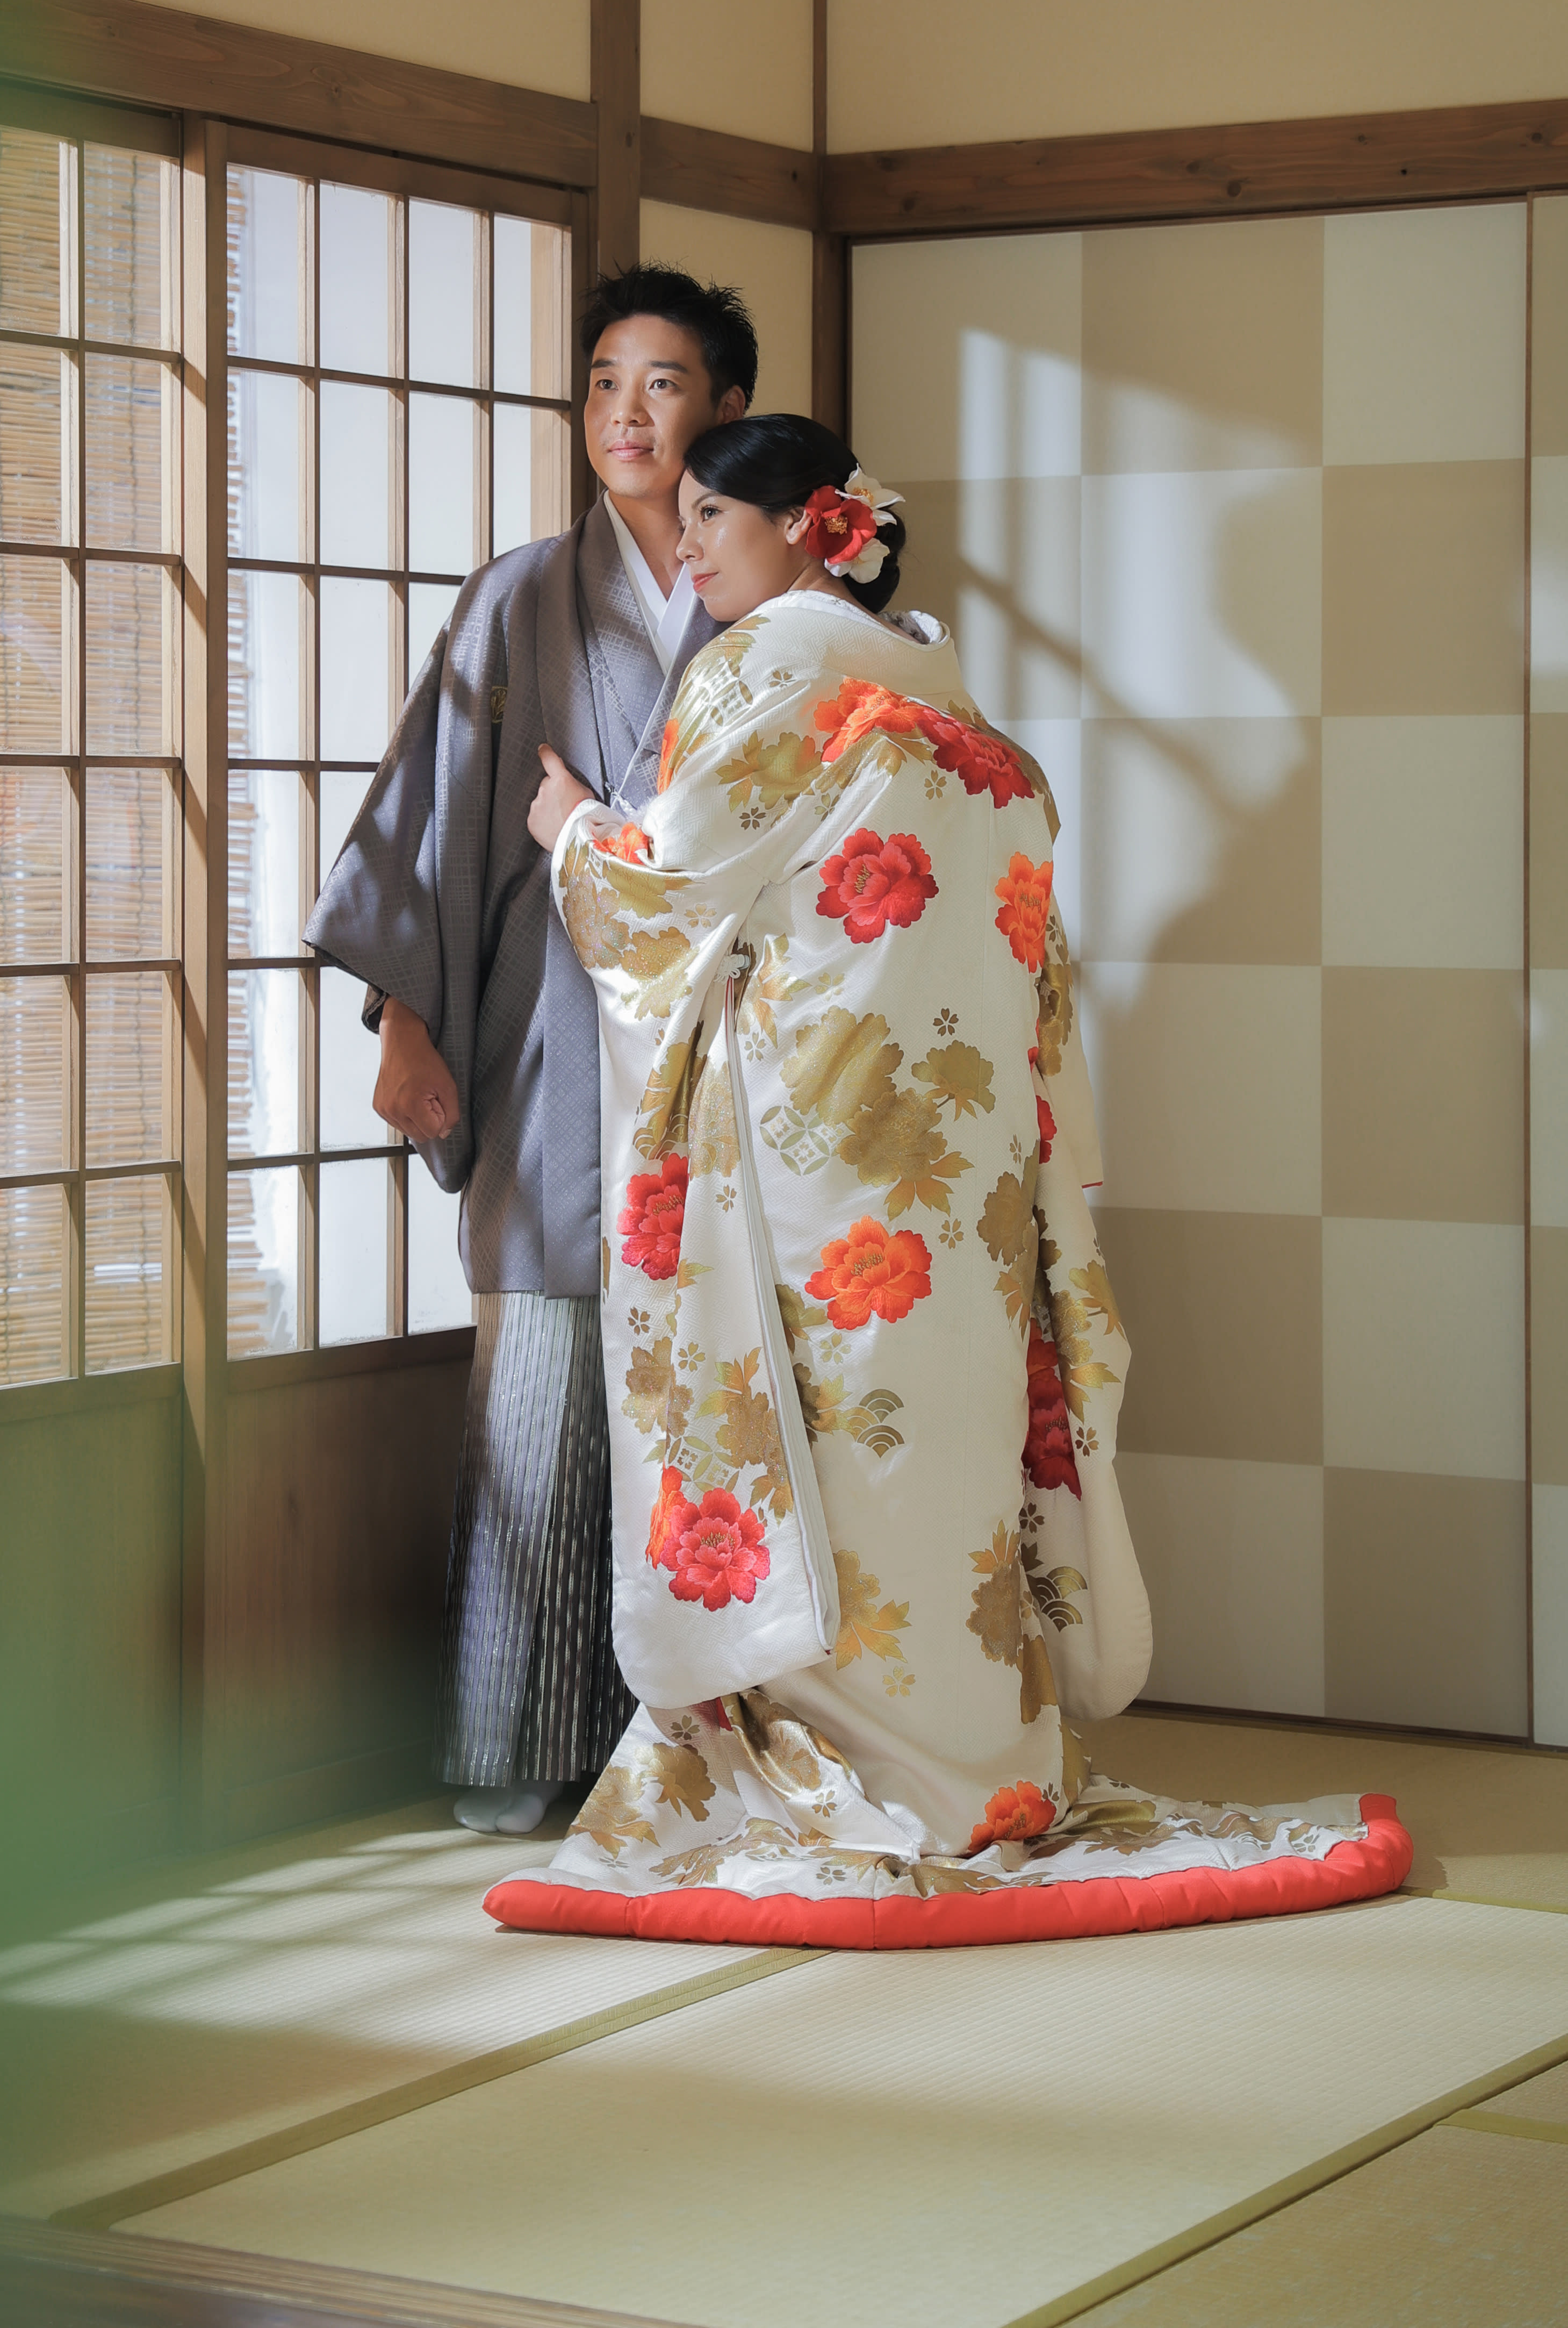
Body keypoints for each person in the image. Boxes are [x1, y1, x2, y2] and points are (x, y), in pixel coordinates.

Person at [486, 414, 1411, 1943]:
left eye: (712, 515)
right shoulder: (949, 695)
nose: (688, 544)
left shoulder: (767, 668)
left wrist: (574, 827)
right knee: (935, 1445)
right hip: (961, 1175)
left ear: (807, 525)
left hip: (813, 1145)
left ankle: (851, 1766)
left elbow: (669, 891)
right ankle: (977, 1762)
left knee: (830, 1438)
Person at [306, 263, 756, 1836]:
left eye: (665, 384)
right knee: (543, 1397)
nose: (627, 415)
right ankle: (518, 1752)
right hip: (555, 1039)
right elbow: (429, 816)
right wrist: (406, 1023)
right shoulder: (520, 596)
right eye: (606, 384)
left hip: (728, 1053)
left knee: (715, 1399)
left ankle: (695, 1751)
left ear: (727, 411)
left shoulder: (775, 602)